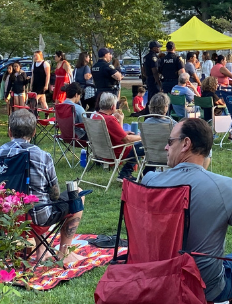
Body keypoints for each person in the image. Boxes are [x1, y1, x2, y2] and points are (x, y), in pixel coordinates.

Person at [141, 117, 232, 304]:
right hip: (203, 290)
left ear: (186, 144)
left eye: (170, 142)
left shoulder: (149, 182)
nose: (166, 147)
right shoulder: (225, 188)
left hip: (151, 283)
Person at [0, 109, 86, 266]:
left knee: (35, 199)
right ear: (34, 132)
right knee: (77, 194)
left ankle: (41, 250)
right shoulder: (42, 156)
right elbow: (54, 195)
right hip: (37, 222)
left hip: (6, 221)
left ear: (9, 131)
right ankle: (63, 253)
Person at [91, 92, 145, 180]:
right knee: (143, 145)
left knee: (137, 141)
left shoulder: (96, 116)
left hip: (101, 152)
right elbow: (127, 140)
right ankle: (126, 173)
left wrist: (121, 123)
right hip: (116, 152)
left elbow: (117, 135)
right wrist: (142, 137)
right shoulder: (110, 119)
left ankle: (126, 173)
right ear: (112, 106)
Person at [142, 41, 162, 113]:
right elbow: (155, 71)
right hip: (154, 80)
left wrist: (147, 76)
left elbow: (143, 69)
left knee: (150, 97)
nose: (159, 48)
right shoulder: (153, 57)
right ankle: (152, 112)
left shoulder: (146, 57)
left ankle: (148, 112)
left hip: (149, 79)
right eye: (158, 47)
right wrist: (158, 82)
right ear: (154, 48)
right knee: (154, 97)